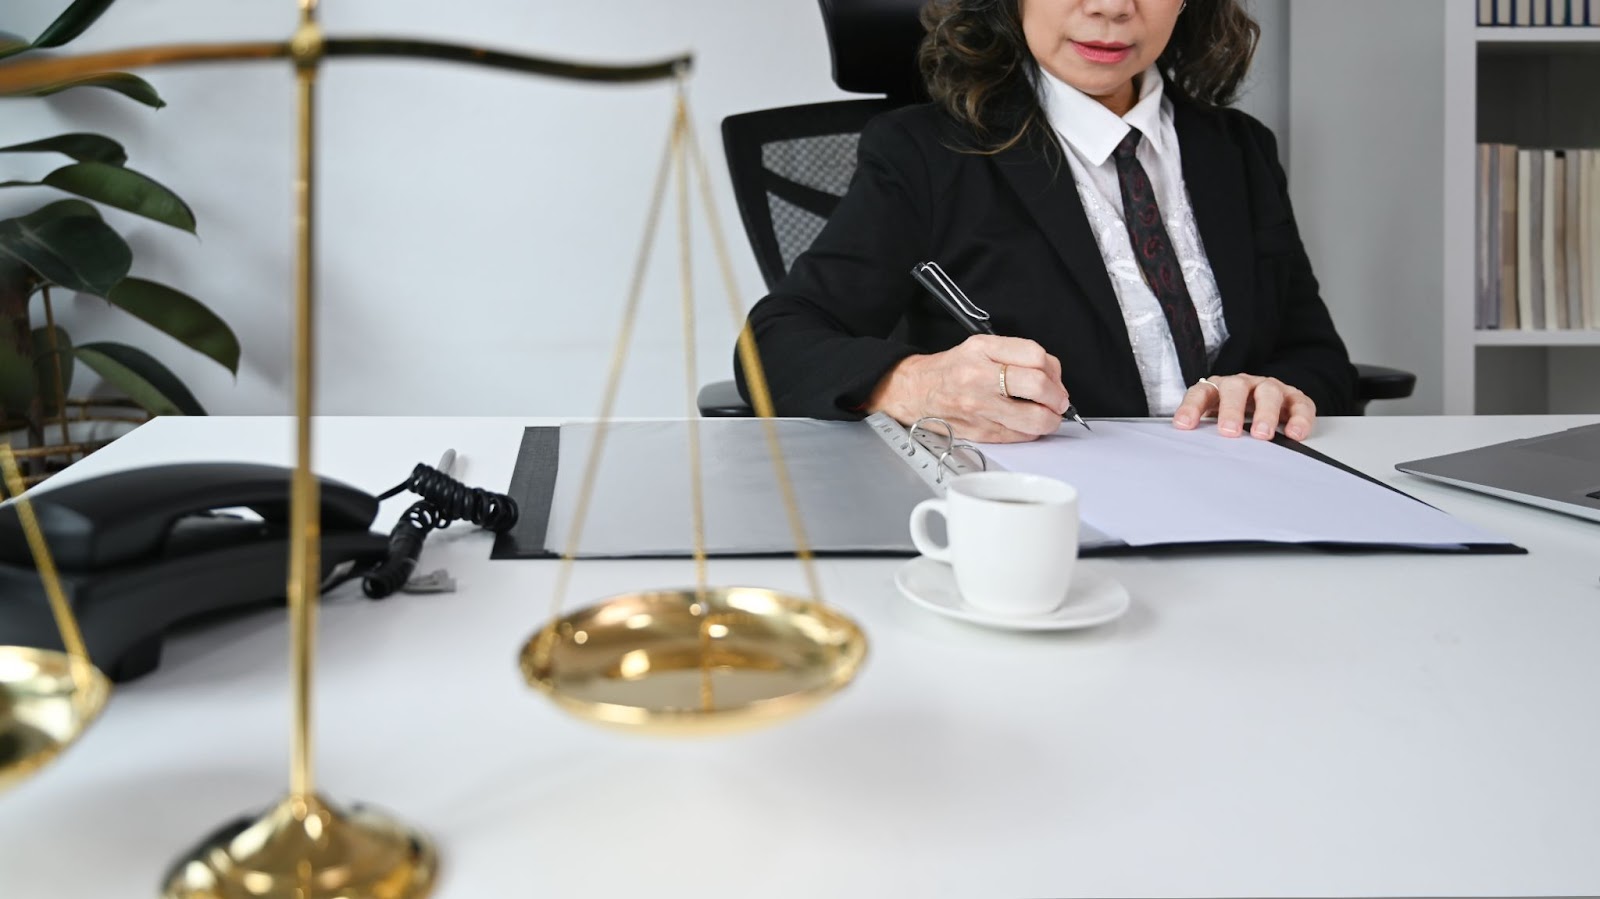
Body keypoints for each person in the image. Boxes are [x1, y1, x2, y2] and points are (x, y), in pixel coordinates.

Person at [734, 0, 1357, 443]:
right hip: (1038, 514)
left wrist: (1282, 390)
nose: (1113, 8)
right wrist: (913, 383)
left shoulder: (1239, 149)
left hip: (1248, 495)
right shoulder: (922, 153)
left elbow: (1318, 357)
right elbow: (775, 344)